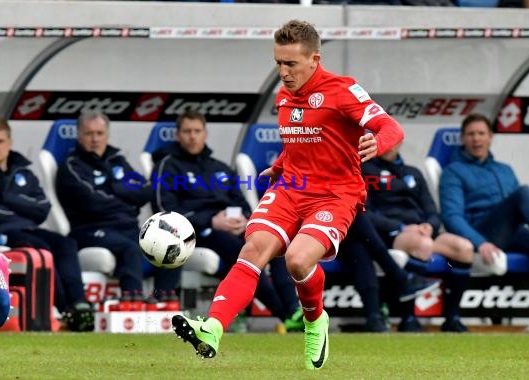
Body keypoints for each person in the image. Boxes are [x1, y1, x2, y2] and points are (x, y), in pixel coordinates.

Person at [171, 20, 404, 370]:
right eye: (278, 63)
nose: (283, 72)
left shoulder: (343, 90)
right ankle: (213, 328)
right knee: (253, 249)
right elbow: (303, 140)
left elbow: (390, 126)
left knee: (297, 259)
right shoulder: (284, 95)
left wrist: (378, 141)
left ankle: (315, 321)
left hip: (335, 195)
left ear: (314, 59)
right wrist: (280, 165)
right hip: (290, 188)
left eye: (291, 63)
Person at [152, 109, 304, 333]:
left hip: (230, 229)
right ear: (178, 135)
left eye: (197, 131)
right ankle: (287, 315)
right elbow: (164, 210)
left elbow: (241, 203)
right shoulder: (168, 166)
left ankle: (293, 309)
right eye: (187, 131)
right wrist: (211, 222)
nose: (192, 136)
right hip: (195, 233)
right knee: (241, 249)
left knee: (275, 243)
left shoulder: (219, 168)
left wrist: (243, 220)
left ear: (205, 134)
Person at [0, 116, 93, 331]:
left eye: (0, 141)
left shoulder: (23, 170)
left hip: (27, 227)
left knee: (66, 244)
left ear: (9, 142)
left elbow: (42, 208)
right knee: (41, 247)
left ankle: (79, 304)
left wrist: (9, 198)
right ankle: (63, 308)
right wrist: (20, 211)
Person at [56, 111, 173, 303]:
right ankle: (132, 300)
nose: (95, 139)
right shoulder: (71, 166)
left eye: (99, 134)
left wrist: (114, 187)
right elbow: (92, 202)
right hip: (90, 229)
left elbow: (145, 190)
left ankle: (161, 300)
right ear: (79, 135)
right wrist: (126, 199)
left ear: (107, 135)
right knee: (130, 248)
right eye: (89, 134)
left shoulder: (117, 161)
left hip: (125, 227)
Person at [363, 142, 474, 332]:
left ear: (399, 142)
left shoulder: (413, 171)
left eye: (393, 139)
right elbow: (365, 212)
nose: (388, 144)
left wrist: (430, 225)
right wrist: (401, 226)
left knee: (464, 249)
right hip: (393, 233)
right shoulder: (366, 170)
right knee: (421, 245)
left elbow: (431, 208)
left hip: (424, 232)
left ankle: (452, 318)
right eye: (383, 139)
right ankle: (409, 318)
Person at [440, 113, 529, 266]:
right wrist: (480, 242)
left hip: (513, 233)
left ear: (490, 137)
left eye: (481, 133)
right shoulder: (453, 172)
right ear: (462, 139)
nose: (476, 139)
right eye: (470, 134)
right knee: (523, 192)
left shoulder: (505, 170)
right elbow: (452, 216)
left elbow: (519, 210)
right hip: (482, 232)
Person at [338, 212, 440, 332]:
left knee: (359, 244)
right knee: (356, 216)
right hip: (332, 230)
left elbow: (432, 211)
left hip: (359, 234)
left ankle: (375, 316)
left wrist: (429, 226)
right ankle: (402, 279)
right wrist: (401, 227)